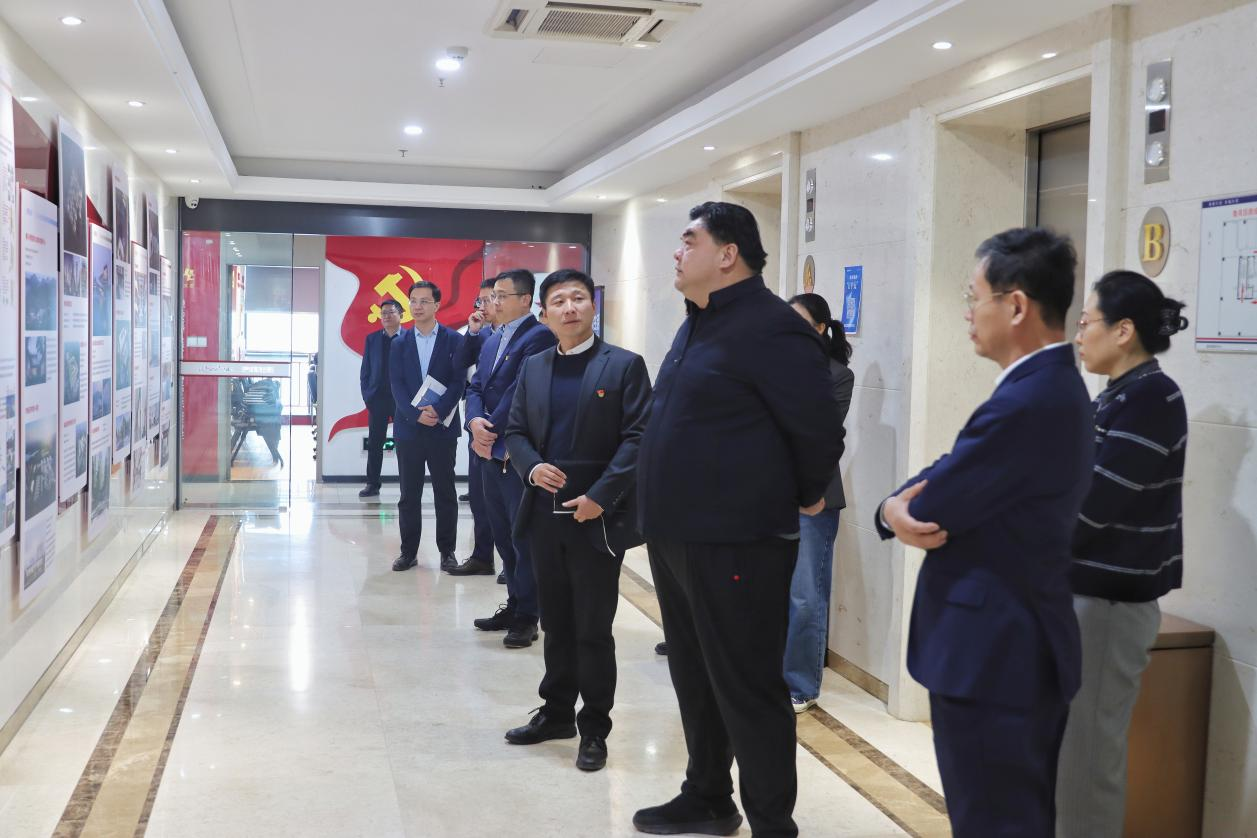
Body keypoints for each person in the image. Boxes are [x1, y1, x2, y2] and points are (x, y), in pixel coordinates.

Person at [633, 202, 844, 838]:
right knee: (694, 675)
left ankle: (773, 823)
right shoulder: (697, 322)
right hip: (677, 533)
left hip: (737, 540)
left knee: (747, 686)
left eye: (688, 241)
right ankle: (707, 797)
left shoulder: (773, 327)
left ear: (728, 254)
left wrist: (806, 493)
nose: (677, 252)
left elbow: (816, 428)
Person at [875, 227, 1093, 837]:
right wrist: (895, 505)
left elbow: (939, 500)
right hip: (1009, 647)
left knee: (995, 822)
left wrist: (894, 508)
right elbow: (955, 467)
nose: (968, 313)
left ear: (1016, 305)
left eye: (974, 298)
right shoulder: (1043, 388)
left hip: (997, 655)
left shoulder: (1029, 400)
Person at [501, 268, 652, 772]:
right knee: (556, 622)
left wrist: (601, 497)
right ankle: (557, 713)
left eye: (579, 298)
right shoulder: (535, 366)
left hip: (596, 519)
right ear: (544, 313)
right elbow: (516, 430)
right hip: (545, 515)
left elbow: (639, 437)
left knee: (593, 627)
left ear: (593, 307)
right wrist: (530, 467)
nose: (570, 308)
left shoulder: (624, 365)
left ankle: (595, 729)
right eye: (559, 301)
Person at [1056, 271, 1189, 838]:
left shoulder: (1152, 398)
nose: (1079, 335)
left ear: (1124, 330)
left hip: (1107, 605)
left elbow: (1092, 506)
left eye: (1086, 322)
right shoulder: (1118, 395)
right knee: (1071, 757)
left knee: (1087, 765)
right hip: (1084, 597)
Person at [466, 268, 557, 648]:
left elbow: (521, 389)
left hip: (515, 454)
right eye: (491, 296)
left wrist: (489, 429)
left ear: (525, 300)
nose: (494, 302)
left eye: (501, 296)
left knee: (524, 539)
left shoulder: (539, 337)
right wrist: (474, 422)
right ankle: (515, 602)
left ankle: (528, 616)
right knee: (502, 534)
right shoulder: (491, 339)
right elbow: (475, 385)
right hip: (489, 452)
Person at [784, 293, 854, 713]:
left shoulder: (837, 375)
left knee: (805, 594)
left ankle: (801, 685)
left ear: (820, 329)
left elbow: (821, 433)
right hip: (769, 494)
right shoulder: (770, 368)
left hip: (814, 498)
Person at [388, 281, 466, 573]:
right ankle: (408, 552)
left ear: (437, 305)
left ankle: (447, 552)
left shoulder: (453, 340)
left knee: (445, 492)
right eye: (413, 300)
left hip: (442, 427)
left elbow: (459, 381)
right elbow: (396, 385)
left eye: (424, 301)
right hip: (409, 429)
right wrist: (414, 415)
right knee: (409, 494)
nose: (417, 306)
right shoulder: (399, 342)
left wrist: (439, 409)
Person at [448, 277, 502, 578]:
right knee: (479, 494)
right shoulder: (480, 334)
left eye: (489, 298)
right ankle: (483, 556)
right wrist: (472, 332)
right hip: (477, 422)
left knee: (507, 497)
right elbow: (461, 366)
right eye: (480, 300)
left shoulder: (525, 337)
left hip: (507, 425)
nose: (483, 305)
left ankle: (513, 562)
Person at [359, 300, 403, 498]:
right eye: (383, 313)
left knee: (405, 443)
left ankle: (407, 484)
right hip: (377, 398)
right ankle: (372, 484)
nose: (386, 316)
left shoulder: (409, 338)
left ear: (401, 314)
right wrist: (367, 396)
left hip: (402, 400)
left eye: (390, 312)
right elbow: (365, 370)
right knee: (375, 443)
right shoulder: (372, 339)